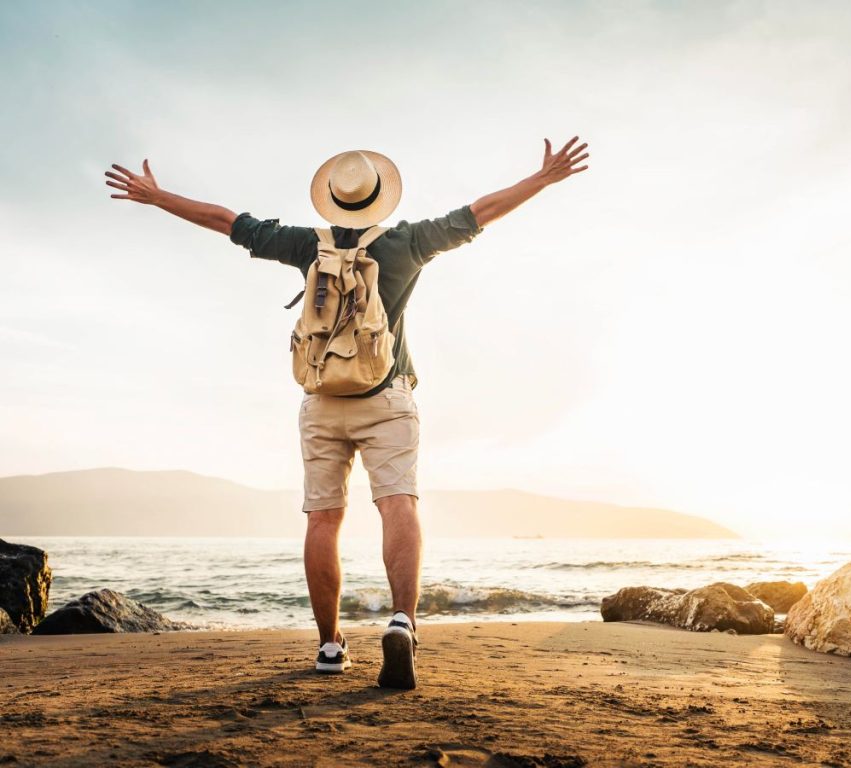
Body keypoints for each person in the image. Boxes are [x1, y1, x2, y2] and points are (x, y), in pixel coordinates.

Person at [105, 137, 589, 688]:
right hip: (386, 396)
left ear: (332, 199)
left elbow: (225, 221)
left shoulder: (305, 245)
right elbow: (480, 212)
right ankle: (403, 621)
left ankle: (330, 646)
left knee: (323, 519)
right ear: (381, 196)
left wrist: (157, 195)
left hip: (322, 401)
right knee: (397, 504)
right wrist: (541, 179)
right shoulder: (409, 241)